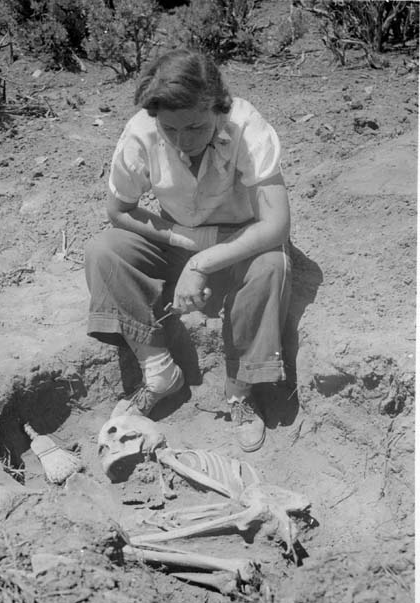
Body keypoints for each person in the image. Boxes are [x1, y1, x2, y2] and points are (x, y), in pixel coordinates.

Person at [85, 49, 291, 452]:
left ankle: (240, 391)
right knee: (103, 251)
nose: (182, 141)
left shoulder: (246, 127)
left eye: (195, 126)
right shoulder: (141, 133)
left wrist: (200, 263)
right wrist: (181, 241)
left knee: (271, 266)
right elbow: (118, 211)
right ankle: (159, 371)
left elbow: (276, 225)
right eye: (170, 129)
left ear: (217, 107)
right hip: (178, 234)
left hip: (243, 239)